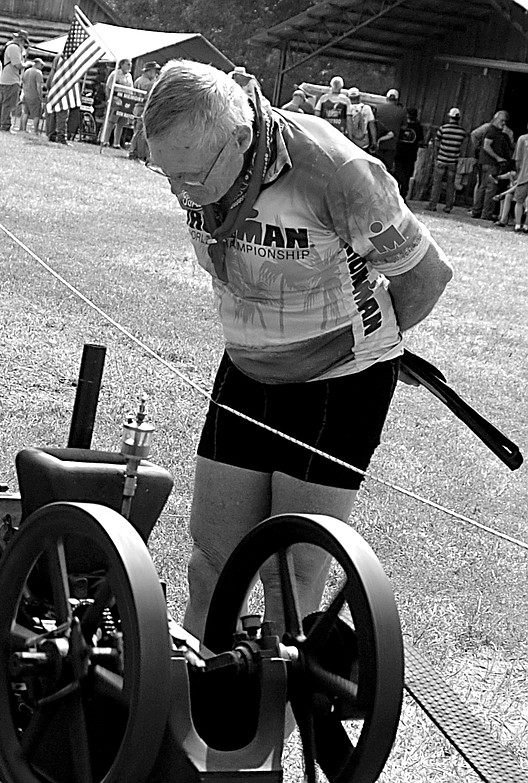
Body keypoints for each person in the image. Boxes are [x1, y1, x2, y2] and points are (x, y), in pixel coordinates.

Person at [141, 61, 452, 637]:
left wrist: (380, 340)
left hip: (339, 384)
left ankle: (264, 730)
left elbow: (426, 275)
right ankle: (196, 721)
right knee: (211, 568)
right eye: (166, 175)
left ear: (240, 138)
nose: (179, 192)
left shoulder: (337, 172)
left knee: (290, 582)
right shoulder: (209, 159)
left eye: (189, 177)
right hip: (246, 368)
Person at [470, 110, 512, 221]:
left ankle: (476, 211)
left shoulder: (492, 130)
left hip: (484, 163)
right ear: (496, 118)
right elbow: (486, 146)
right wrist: (499, 158)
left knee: (482, 187)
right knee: (490, 189)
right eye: (502, 120)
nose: (503, 123)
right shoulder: (492, 131)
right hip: (491, 164)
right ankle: (486, 213)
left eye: (505, 121)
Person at [426, 107, 469, 212]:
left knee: (437, 183)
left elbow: (437, 144)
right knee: (451, 184)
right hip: (453, 161)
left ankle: (433, 205)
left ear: (450, 117)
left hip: (441, 159)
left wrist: (436, 157)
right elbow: (463, 147)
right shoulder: (462, 132)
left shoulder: (443, 129)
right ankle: (448, 206)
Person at [0, 28, 26, 132]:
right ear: (22, 40)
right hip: (11, 79)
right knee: (8, 104)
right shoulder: (14, 48)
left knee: (2, 103)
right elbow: (17, 65)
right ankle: (5, 125)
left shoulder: (9, 46)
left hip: (4, 78)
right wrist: (28, 64)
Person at [128, 60, 158, 161]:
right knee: (140, 132)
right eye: (154, 71)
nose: (155, 73)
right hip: (142, 108)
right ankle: (136, 153)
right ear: (148, 71)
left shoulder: (138, 80)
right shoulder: (147, 83)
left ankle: (138, 153)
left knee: (139, 131)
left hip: (139, 108)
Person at [393, 106, 424, 199]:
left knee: (397, 174)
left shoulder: (402, 125)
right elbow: (420, 141)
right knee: (407, 175)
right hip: (411, 154)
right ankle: (403, 193)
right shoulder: (418, 127)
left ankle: (396, 193)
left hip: (399, 153)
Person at [374, 88, 406, 174]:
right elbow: (404, 127)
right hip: (391, 145)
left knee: (374, 166)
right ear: (397, 100)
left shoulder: (378, 108)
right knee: (386, 169)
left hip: (377, 143)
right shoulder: (402, 111)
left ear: (387, 98)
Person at [105, 57, 133, 149]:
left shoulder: (129, 76)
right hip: (116, 100)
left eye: (130, 64)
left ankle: (116, 143)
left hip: (126, 101)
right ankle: (105, 140)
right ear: (122, 64)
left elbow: (131, 90)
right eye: (128, 64)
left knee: (121, 123)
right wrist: (110, 99)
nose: (130, 66)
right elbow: (108, 87)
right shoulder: (115, 74)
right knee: (111, 121)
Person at [344, 86, 376, 152]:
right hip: (363, 142)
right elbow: (372, 125)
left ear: (348, 97)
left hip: (348, 140)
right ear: (359, 97)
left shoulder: (346, 108)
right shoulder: (367, 108)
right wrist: (374, 141)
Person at [18, 57, 43, 134]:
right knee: (36, 115)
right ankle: (35, 131)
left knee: (25, 113)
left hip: (26, 94)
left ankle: (24, 129)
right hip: (34, 96)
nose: (42, 66)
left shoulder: (26, 71)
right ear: (37, 64)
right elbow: (39, 86)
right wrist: (40, 96)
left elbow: (23, 82)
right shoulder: (38, 73)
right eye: (41, 64)